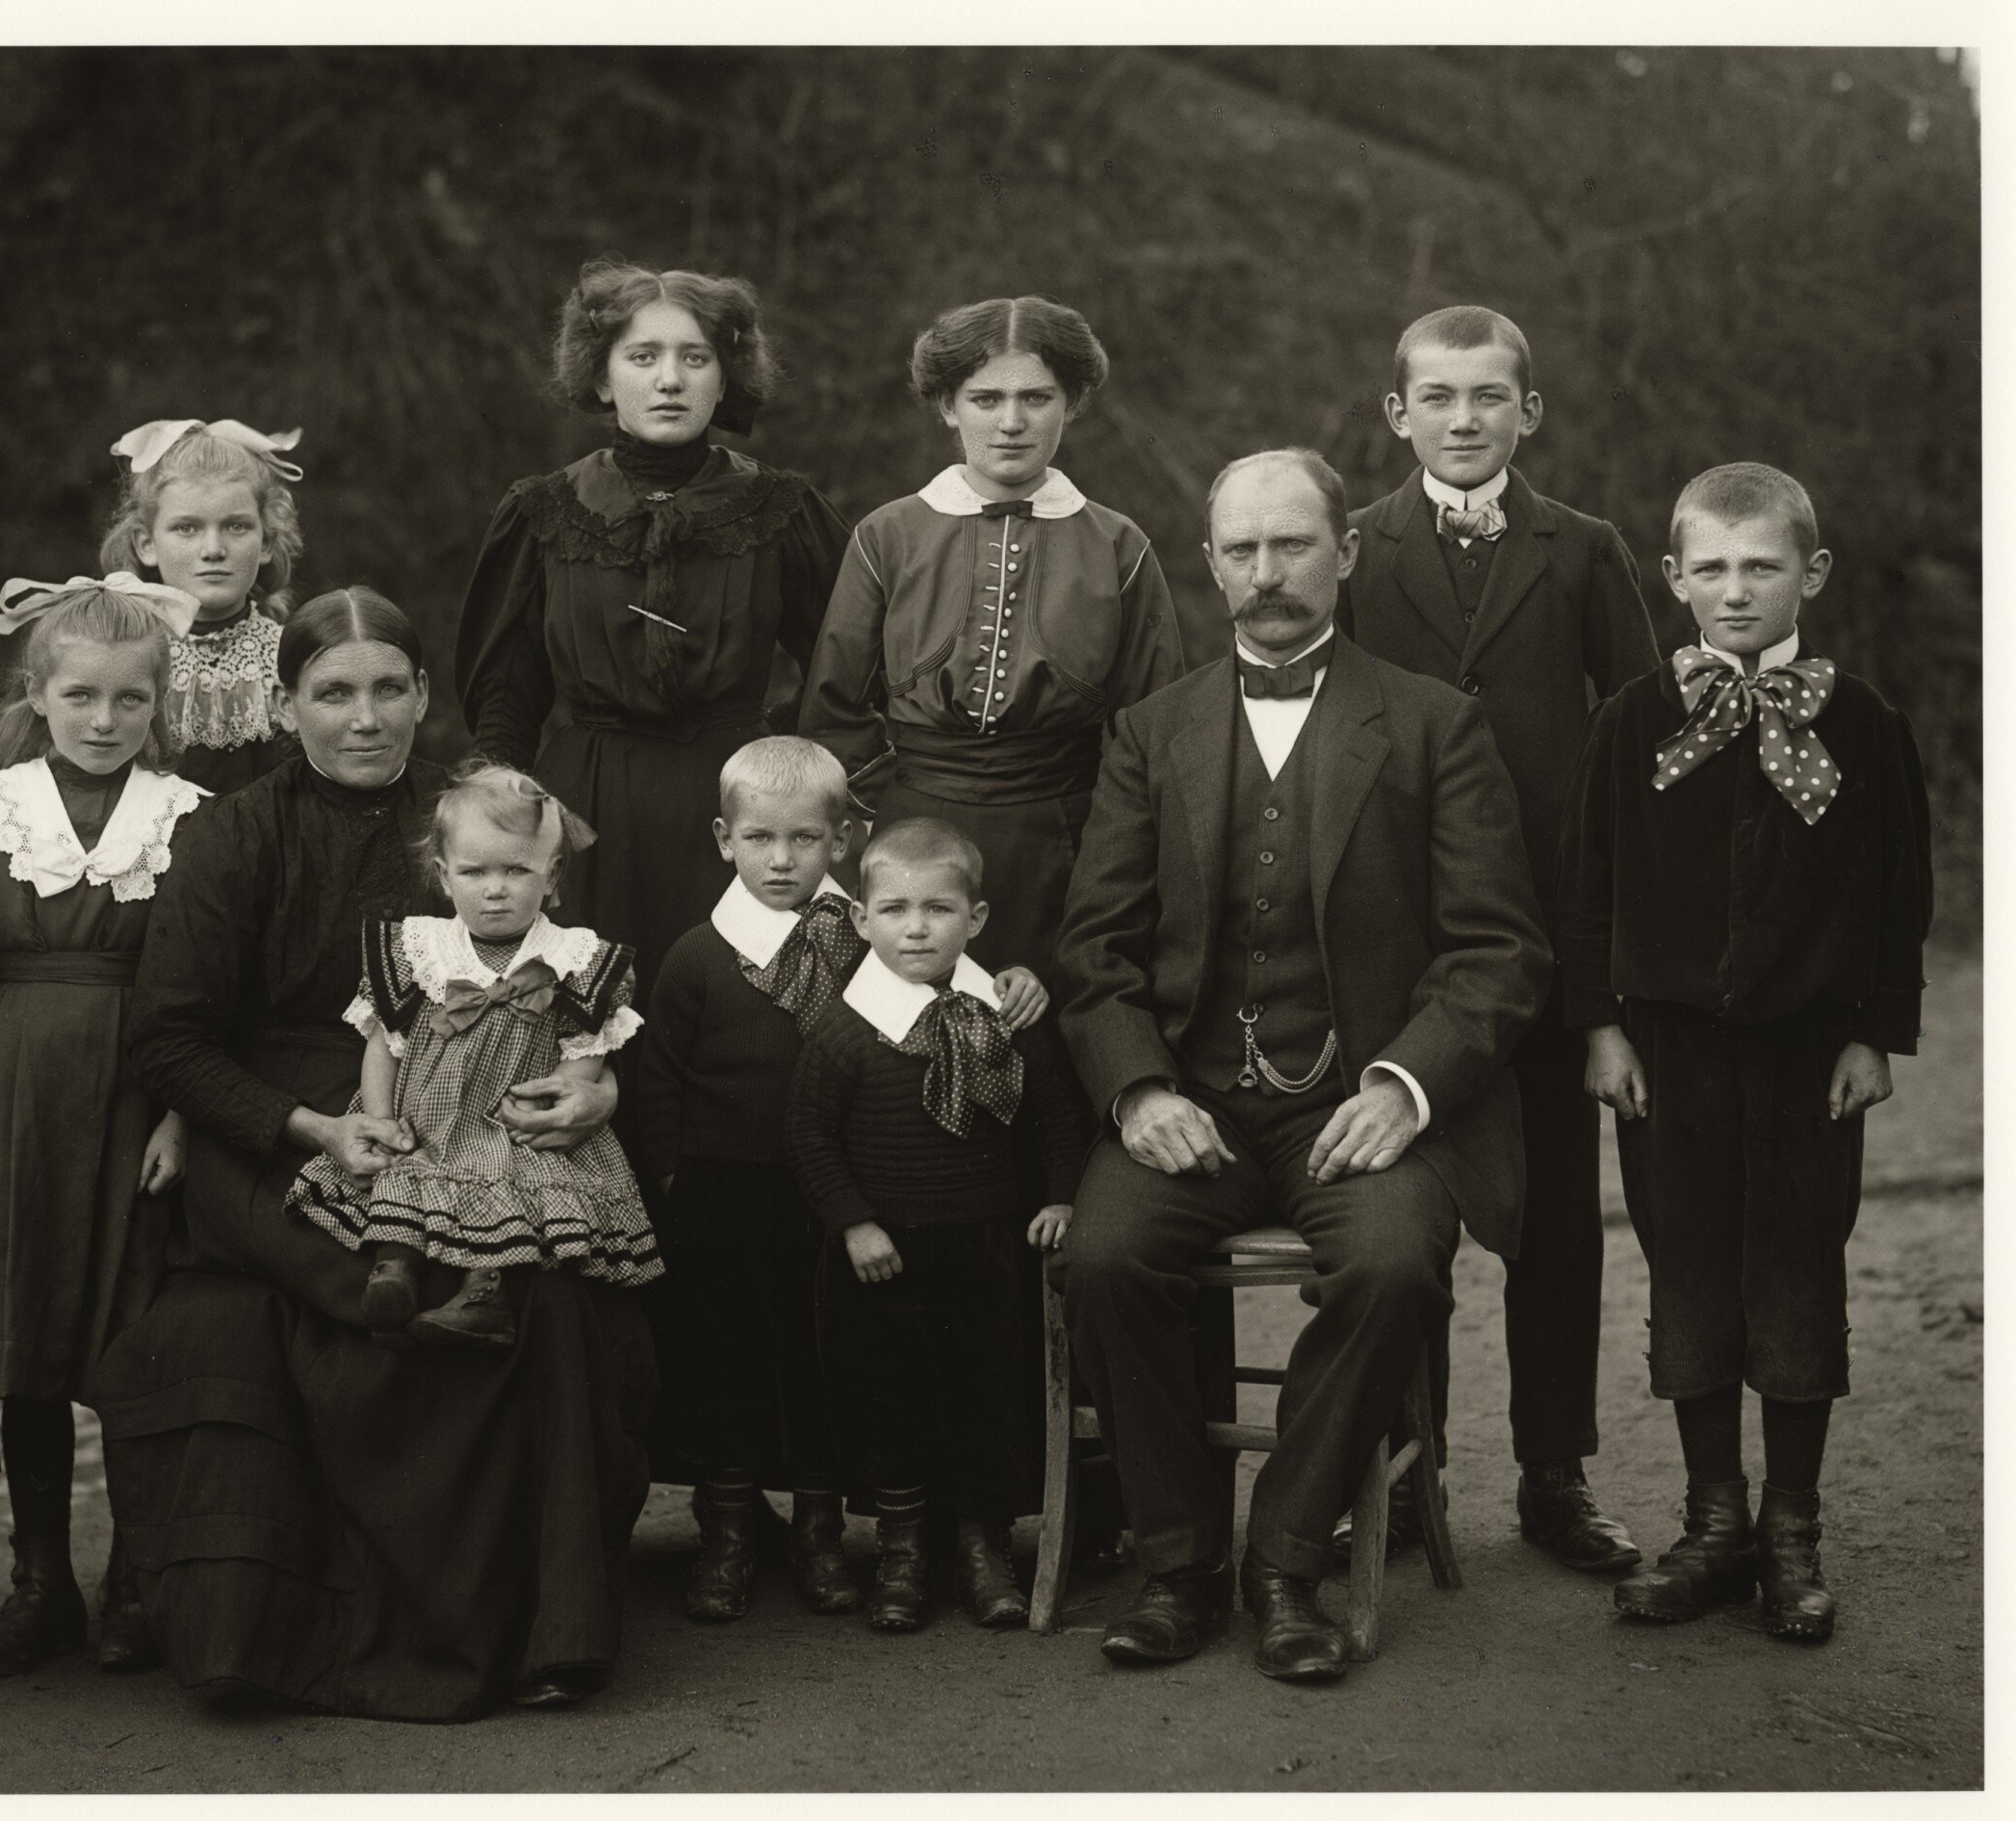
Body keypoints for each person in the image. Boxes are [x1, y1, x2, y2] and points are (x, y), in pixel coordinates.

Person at [94, 586, 641, 1719]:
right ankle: (281, 1626)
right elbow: (168, 1039)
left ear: (425, 696)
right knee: (363, 1289)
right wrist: (317, 1127)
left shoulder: (472, 827)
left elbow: (573, 994)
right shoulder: (235, 832)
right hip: (272, 1121)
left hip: (466, 1117)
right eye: (333, 693)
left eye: (389, 688)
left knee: (545, 1285)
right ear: (286, 703)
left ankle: (546, 1627)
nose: (364, 717)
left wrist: (596, 1085)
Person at [1057, 449, 1549, 1682]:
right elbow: (1094, 951)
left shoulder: (1433, 721)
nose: (1266, 574)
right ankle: (1178, 1566)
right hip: (1198, 1108)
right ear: (1210, 564)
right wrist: (1140, 1087)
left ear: (1344, 553)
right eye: (1241, 550)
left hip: (1364, 1109)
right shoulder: (1151, 730)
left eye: (1291, 546)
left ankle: (1284, 1559)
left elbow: (1499, 950)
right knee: (1107, 1255)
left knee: (1389, 1264)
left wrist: (1404, 1084)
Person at [1559, 463, 1931, 1644]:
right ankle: (1712, 1521)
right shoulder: (1631, 721)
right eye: (1710, 569)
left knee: (1794, 1276)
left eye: (1760, 566)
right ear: (1672, 579)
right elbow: (1586, 889)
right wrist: (1603, 1027)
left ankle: (1790, 1532)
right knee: (1690, 1279)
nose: (1734, 590)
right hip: (1665, 1056)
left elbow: (1900, 893)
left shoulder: (1861, 723)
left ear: (1808, 574)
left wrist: (1875, 1031)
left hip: (1807, 1057)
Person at [1337, 305, 1659, 1573]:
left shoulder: (1582, 551)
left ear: (1528, 412)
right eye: (1438, 396)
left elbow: (1638, 752)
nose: (1462, 418)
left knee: (1559, 1223)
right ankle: (1409, 1468)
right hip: (1401, 951)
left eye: (1488, 397)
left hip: (1542, 937)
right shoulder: (1356, 549)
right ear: (1396, 411)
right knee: (1407, 1213)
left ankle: (1553, 1471)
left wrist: (1604, 987)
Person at [633, 737, 1051, 1624]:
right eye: (760, 840)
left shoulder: (865, 935)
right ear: (724, 839)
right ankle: (730, 1532)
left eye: (804, 841)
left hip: (832, 1198)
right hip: (724, 1195)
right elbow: (659, 1079)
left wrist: (1013, 981)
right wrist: (674, 1181)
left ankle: (824, 1533)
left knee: (822, 1366)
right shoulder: (700, 954)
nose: (782, 861)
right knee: (729, 1366)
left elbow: (953, 984)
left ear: (841, 842)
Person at [0, 573, 211, 1678]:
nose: (104, 721)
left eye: (130, 702)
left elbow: (202, 988)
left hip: (137, 1099)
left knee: (134, 1334)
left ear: (159, 707)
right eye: (81, 696)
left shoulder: (191, 820)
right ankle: (37, 1581)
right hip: (14, 1099)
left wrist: (183, 1116)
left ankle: (133, 1581)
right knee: (28, 1339)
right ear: (38, 694)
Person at [456, 259, 849, 1002]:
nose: (670, 379)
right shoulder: (546, 511)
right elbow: (506, 689)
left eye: (694, 357)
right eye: (644, 357)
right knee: (591, 1020)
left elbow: (850, 667)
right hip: (588, 812)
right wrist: (507, 810)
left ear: (725, 378)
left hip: (738, 814)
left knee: (739, 1019)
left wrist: (781, 758)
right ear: (602, 379)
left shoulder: (779, 509)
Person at [800, 294, 1182, 1006]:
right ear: (948, 406)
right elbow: (834, 709)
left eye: (1037, 398)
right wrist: (893, 825)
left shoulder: (1118, 546)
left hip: (1064, 847)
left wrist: (1100, 849)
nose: (1011, 422)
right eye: (986, 398)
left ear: (1071, 405)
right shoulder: (887, 536)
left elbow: (1152, 728)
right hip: (911, 841)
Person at [788, 818, 1091, 1634]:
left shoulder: (1005, 1016)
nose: (916, 927)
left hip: (984, 1246)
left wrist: (1062, 1196)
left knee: (987, 1396)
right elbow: (809, 1137)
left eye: (937, 909)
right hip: (881, 1254)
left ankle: (984, 1546)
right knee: (891, 1400)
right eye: (892, 909)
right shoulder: (845, 1030)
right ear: (860, 919)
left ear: (977, 919)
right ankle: (903, 1547)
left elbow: (1057, 1116)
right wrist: (853, 1224)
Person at [289, 762, 658, 1349]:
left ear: (552, 873)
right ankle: (395, 1267)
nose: (495, 888)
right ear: (442, 874)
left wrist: (549, 1111)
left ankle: (486, 1295)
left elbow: (581, 1062)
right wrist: (381, 1117)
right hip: (427, 1118)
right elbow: (384, 1044)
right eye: (474, 871)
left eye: (517, 869)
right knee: (405, 1165)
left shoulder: (576, 959)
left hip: (512, 1124)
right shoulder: (418, 948)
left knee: (511, 1180)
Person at [97, 417, 309, 794]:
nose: (213, 550)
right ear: (146, 544)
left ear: (265, 544)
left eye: (236, 527)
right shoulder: (121, 655)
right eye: (187, 528)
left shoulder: (293, 658)